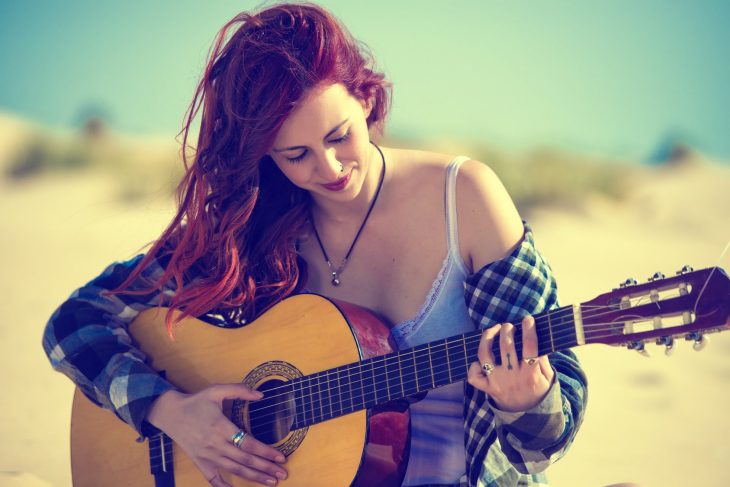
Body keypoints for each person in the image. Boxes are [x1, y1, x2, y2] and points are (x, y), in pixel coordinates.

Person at [42, 3, 587, 486]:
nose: (328, 169)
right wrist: (168, 410)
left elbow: (540, 450)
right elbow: (75, 322)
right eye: (295, 155)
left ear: (367, 99)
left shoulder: (463, 198)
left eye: (338, 136)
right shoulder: (253, 228)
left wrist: (526, 401)